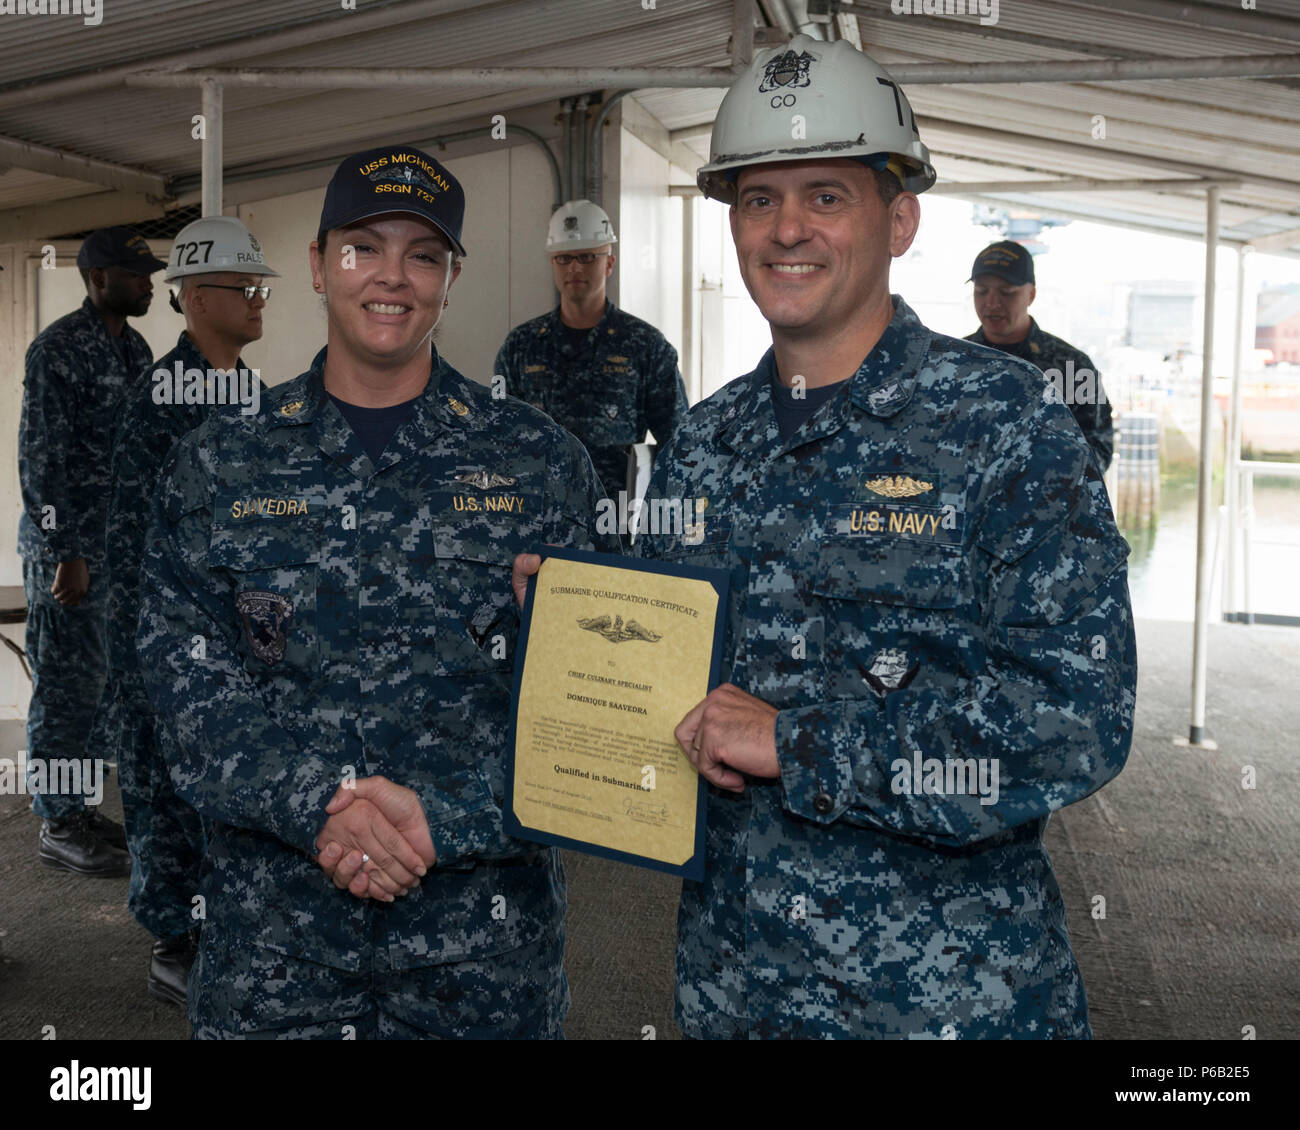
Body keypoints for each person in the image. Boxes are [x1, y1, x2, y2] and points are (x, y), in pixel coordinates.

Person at [620, 37, 1133, 1038]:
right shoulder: (706, 440)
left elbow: (1075, 716)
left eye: (825, 194)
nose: (785, 229)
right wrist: (573, 618)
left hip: (946, 999)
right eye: (757, 199)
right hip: (738, 985)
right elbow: (675, 662)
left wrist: (796, 740)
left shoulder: (1008, 423)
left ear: (898, 218)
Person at [136, 144, 616, 1039]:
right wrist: (318, 809)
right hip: (275, 950)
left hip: (481, 958)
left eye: (423, 254)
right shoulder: (219, 461)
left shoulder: (541, 464)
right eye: (363, 246)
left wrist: (444, 823)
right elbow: (184, 684)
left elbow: (587, 710)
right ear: (318, 266)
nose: (392, 276)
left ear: (451, 277)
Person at [102, 216, 276, 1006]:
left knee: (239, 788)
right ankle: (178, 939)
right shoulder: (157, 402)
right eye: (246, 287)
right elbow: (131, 544)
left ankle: (237, 928)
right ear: (198, 298)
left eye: (260, 287)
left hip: (251, 638)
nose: (258, 300)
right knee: (166, 787)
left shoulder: (262, 400)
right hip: (174, 641)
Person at [18, 227, 166, 877]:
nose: (149, 283)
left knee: (105, 689)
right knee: (66, 689)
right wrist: (63, 551)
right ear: (97, 277)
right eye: (135, 274)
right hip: (71, 554)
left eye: (149, 273)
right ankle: (58, 821)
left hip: (119, 552)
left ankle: (81, 809)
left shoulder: (135, 350)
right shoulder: (57, 350)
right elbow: (40, 458)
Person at [494, 199, 689, 502]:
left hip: (615, 527)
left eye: (586, 256)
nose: (574, 267)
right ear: (552, 263)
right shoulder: (521, 346)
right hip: (539, 520)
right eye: (564, 258)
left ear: (609, 263)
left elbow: (678, 444)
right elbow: (499, 435)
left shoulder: (645, 346)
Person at [966, 240, 1114, 471]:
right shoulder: (954, 360)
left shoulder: (1072, 367)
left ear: (1031, 295)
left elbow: (1098, 449)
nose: (992, 303)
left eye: (1006, 292)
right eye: (981, 291)